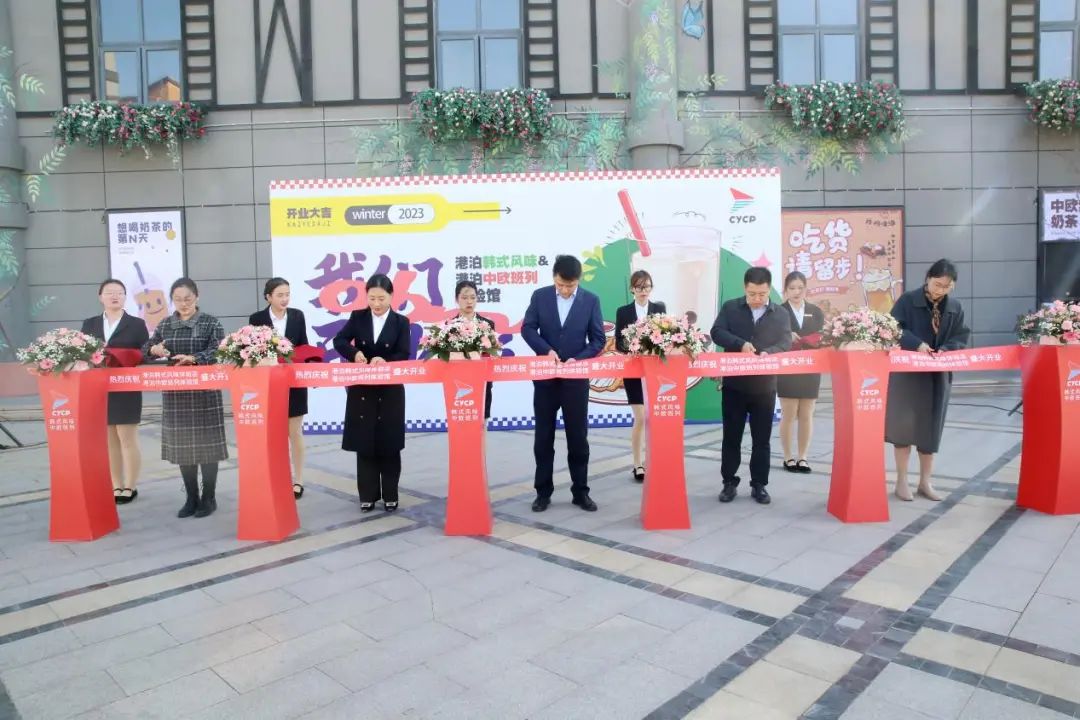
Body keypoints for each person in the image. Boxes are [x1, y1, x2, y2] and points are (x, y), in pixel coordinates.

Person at [522, 255, 605, 512]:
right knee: (543, 438)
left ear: (578, 280)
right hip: (546, 380)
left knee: (578, 438)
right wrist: (546, 350)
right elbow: (528, 328)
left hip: (575, 380)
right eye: (560, 285)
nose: (565, 290)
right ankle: (542, 492)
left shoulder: (590, 300)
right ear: (554, 278)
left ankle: (580, 492)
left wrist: (577, 359)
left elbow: (598, 340)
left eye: (570, 285)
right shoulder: (540, 296)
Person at [886, 259, 970, 502]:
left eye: (946, 286)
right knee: (903, 430)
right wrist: (916, 344)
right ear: (928, 278)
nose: (940, 290)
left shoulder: (955, 307)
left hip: (937, 377)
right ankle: (902, 481)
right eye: (937, 284)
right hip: (907, 376)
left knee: (930, 431)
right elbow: (893, 328)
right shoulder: (907, 300)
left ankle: (925, 482)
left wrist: (946, 349)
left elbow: (961, 335)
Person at [143, 278, 227, 518]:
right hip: (176, 393)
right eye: (178, 299)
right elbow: (147, 348)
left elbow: (219, 349)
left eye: (188, 298)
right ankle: (191, 498)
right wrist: (153, 350)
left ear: (197, 297)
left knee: (208, 447)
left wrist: (195, 358)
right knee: (183, 446)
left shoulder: (210, 322)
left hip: (205, 393)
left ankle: (209, 498)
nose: (183, 303)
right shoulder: (166, 324)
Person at [710, 267, 792, 505]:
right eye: (752, 294)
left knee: (761, 439)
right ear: (745, 288)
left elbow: (786, 341)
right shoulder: (731, 308)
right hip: (734, 385)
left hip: (764, 387)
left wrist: (770, 352)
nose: (757, 299)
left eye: (762, 294)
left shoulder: (780, 313)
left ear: (769, 289)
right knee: (731, 437)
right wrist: (740, 344)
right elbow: (716, 332)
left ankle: (759, 484)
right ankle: (729, 482)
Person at [333, 274, 410, 513]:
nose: (376, 303)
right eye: (372, 298)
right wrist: (354, 353)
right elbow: (339, 340)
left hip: (390, 389)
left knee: (389, 443)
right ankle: (367, 495)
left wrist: (385, 360)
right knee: (364, 442)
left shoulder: (401, 321)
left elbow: (404, 353)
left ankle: (390, 495)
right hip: (363, 388)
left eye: (381, 298)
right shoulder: (358, 317)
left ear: (391, 296)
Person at [82, 279, 149, 504]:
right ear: (100, 297)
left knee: (127, 438)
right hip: (100, 388)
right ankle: (116, 485)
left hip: (126, 387)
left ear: (125, 297)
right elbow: (82, 355)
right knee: (110, 440)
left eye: (119, 293)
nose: (114, 296)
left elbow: (145, 353)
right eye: (109, 293)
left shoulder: (136, 324)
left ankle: (130, 486)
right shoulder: (89, 324)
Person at [249, 277, 310, 499]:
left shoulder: (297, 315)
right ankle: (277, 478)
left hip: (294, 381)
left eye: (287, 294)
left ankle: (298, 480)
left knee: (295, 431)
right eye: (280, 295)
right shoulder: (257, 319)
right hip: (269, 383)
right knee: (274, 434)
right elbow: (253, 351)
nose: (285, 299)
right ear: (268, 297)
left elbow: (303, 345)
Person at [614, 270, 666, 482]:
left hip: (655, 371)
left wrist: (654, 347)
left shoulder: (659, 309)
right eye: (639, 287)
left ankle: (656, 460)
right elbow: (619, 342)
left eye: (647, 286)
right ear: (632, 289)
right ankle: (638, 464)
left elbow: (665, 337)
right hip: (634, 370)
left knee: (655, 418)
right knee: (641, 417)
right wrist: (634, 348)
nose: (643, 291)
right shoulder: (623, 311)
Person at [777, 271, 825, 474]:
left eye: (800, 288)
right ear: (785, 290)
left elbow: (823, 335)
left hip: (811, 366)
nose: (796, 292)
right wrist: (787, 335)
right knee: (789, 413)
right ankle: (788, 456)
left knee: (807, 413)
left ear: (806, 289)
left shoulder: (815, 311)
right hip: (788, 367)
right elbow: (771, 336)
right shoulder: (778, 311)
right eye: (792, 288)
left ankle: (803, 457)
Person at [454, 280, 495, 420]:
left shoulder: (487, 324)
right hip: (458, 381)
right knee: (461, 419)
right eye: (464, 298)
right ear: (457, 299)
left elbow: (491, 352)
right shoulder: (449, 326)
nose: (469, 301)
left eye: (473, 297)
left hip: (482, 379)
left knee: (482, 420)